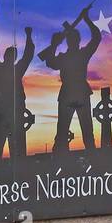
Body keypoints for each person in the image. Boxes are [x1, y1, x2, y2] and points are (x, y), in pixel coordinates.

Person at [39, 9, 101, 153]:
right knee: (63, 133)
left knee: (86, 133)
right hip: (72, 94)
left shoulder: (77, 55)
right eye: (70, 39)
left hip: (75, 94)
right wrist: (54, 44)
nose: (72, 41)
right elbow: (50, 63)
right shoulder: (72, 56)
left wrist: (86, 19)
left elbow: (97, 38)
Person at [0, 26, 35, 161]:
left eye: (12, 56)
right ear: (6, 56)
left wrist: (29, 37)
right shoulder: (2, 69)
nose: (10, 57)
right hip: (2, 112)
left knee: (13, 150)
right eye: (10, 55)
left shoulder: (10, 69)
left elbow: (28, 55)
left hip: (12, 112)